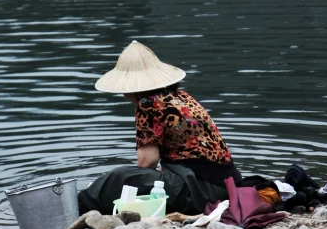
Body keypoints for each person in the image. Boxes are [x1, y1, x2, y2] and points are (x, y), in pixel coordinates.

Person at [78, 40, 241, 215]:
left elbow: (147, 162)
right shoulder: (182, 97)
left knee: (120, 178)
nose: (124, 94)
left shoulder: (148, 104)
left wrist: (134, 183)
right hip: (228, 186)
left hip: (199, 194)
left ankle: (77, 209)